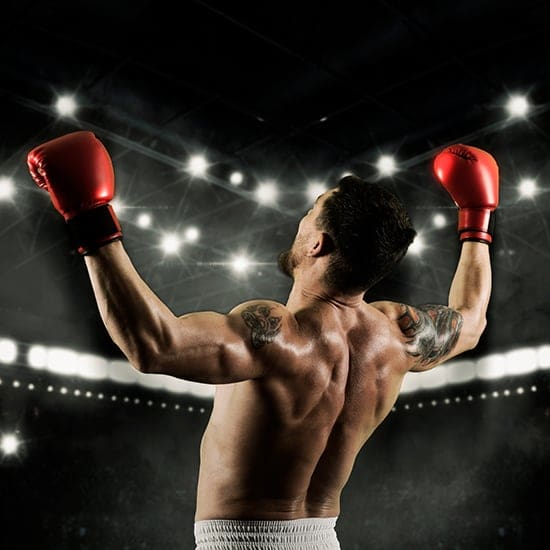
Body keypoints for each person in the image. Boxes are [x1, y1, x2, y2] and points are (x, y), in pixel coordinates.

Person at [27, 132, 498, 550]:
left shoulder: (279, 333)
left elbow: (154, 344)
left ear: (317, 244)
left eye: (310, 213)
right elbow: (471, 321)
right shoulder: (397, 336)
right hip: (325, 539)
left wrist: (91, 220)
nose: (302, 220)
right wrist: (476, 219)